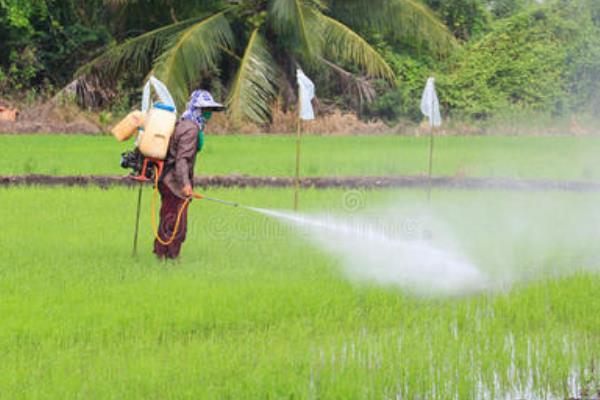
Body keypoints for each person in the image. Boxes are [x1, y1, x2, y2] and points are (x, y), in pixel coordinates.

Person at [153, 90, 223, 260]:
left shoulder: (184, 123)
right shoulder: (191, 129)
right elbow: (182, 160)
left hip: (168, 180)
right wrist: (185, 184)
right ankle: (168, 259)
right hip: (173, 183)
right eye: (205, 110)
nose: (209, 114)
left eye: (210, 110)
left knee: (169, 219)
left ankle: (162, 256)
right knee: (176, 224)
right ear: (197, 110)